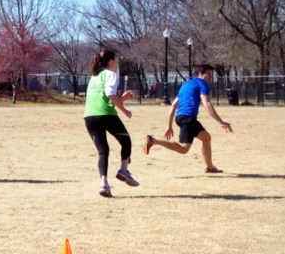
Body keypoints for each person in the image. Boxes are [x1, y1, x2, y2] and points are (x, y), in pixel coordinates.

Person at [143, 64, 233, 173]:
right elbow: (206, 103)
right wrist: (220, 122)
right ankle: (153, 140)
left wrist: (169, 126)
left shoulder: (186, 84)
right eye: (208, 74)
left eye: (211, 74)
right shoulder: (202, 84)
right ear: (201, 74)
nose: (210, 76)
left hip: (181, 117)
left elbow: (173, 106)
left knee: (206, 137)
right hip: (188, 118)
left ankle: (210, 167)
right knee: (184, 148)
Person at [83, 50, 137, 197]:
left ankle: (104, 185)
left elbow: (105, 98)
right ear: (111, 61)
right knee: (126, 141)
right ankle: (123, 171)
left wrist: (122, 99)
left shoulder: (94, 77)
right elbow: (109, 95)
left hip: (89, 116)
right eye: (116, 60)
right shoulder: (111, 74)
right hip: (106, 115)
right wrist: (125, 110)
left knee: (103, 151)